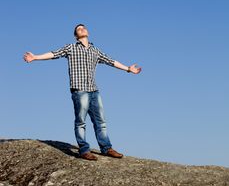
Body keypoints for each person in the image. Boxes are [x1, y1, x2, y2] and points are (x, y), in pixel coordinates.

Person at [23, 24, 142, 161]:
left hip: (94, 90)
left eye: (83, 28)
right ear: (76, 35)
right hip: (79, 90)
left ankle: (106, 148)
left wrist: (128, 69)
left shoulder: (95, 50)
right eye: (78, 29)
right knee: (81, 121)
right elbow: (53, 54)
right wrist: (35, 57)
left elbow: (111, 61)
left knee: (101, 121)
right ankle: (84, 150)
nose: (82, 29)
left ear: (88, 32)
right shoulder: (71, 47)